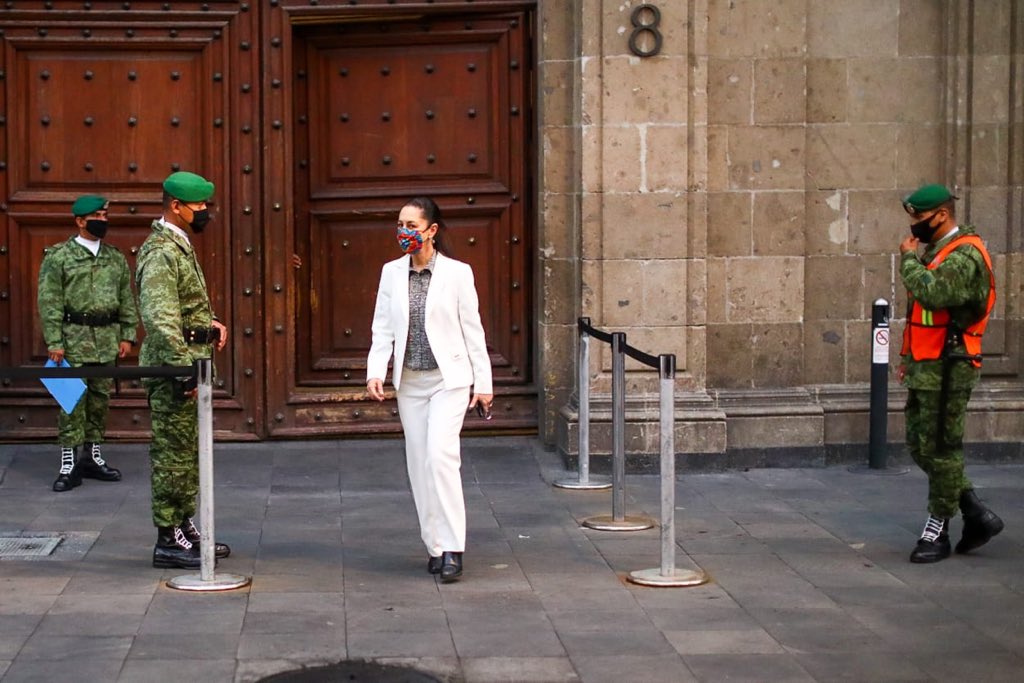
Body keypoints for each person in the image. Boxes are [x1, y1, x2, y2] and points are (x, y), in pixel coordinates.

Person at [366, 197, 493, 582]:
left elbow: (473, 329)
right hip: (411, 381)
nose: (404, 232)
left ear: (431, 231)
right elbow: (383, 326)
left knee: (441, 457)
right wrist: (376, 370)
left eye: (412, 225)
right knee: (419, 463)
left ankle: (454, 547)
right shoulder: (391, 272)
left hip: (449, 379)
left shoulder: (457, 273)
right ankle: (434, 546)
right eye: (400, 223)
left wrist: (483, 383)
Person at [898, 183, 1003, 563]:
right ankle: (975, 512)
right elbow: (925, 318)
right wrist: (908, 358)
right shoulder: (940, 252)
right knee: (920, 445)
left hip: (950, 366)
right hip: (927, 365)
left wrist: (908, 260)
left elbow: (934, 295)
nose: (914, 227)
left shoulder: (965, 256)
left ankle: (937, 528)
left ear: (942, 215)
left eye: (920, 218)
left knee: (942, 449)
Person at [136, 171, 230, 569]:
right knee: (173, 454)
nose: (205, 212)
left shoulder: (177, 245)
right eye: (199, 206)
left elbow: (183, 306)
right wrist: (181, 369)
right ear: (176, 207)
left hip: (188, 361)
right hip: (173, 368)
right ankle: (167, 538)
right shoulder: (161, 251)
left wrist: (210, 324)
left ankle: (183, 525)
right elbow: (160, 318)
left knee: (187, 452)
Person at [37, 195, 138, 492]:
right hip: (73, 339)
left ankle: (92, 456)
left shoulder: (114, 257)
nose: (102, 221)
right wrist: (54, 340)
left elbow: (126, 298)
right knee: (71, 401)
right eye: (96, 216)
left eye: (105, 215)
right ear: (80, 221)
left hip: (106, 339)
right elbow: (49, 301)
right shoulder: (59, 257)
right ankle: (68, 462)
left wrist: (127, 334)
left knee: (99, 401)